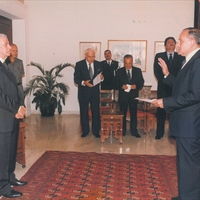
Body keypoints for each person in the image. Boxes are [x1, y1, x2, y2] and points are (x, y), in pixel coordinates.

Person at [152, 27, 200, 200]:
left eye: (181, 41)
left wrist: (166, 102)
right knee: (185, 164)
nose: (177, 44)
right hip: (185, 124)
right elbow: (182, 88)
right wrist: (167, 75)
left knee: (190, 165)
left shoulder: (198, 61)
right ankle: (186, 195)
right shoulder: (189, 60)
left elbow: (195, 95)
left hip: (191, 124)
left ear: (192, 42)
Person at [0, 33, 27, 198]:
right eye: (6, 44)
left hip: (11, 116)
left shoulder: (4, 65)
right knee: (2, 154)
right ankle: (3, 186)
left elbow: (14, 88)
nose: (10, 48)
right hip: (3, 117)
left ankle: (10, 177)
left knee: (10, 151)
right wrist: (16, 108)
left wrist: (20, 106)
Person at [154, 37, 185, 140]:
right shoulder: (159, 56)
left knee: (175, 112)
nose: (171, 44)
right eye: (169, 42)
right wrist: (166, 81)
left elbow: (181, 73)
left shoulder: (180, 56)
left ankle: (174, 133)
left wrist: (174, 83)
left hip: (175, 88)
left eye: (173, 42)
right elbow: (157, 72)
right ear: (165, 45)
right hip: (163, 88)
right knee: (161, 112)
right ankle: (159, 133)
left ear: (175, 45)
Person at [74, 48, 103, 138]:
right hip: (83, 92)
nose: (91, 59)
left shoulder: (98, 64)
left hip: (94, 92)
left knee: (96, 112)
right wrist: (84, 83)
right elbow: (76, 79)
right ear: (85, 56)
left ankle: (96, 131)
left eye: (93, 56)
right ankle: (85, 131)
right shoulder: (79, 65)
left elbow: (101, 77)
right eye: (89, 57)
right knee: (84, 112)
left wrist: (102, 78)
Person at [116, 54, 144, 137]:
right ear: (123, 63)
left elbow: (141, 82)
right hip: (123, 97)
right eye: (126, 63)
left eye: (129, 63)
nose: (128, 65)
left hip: (133, 96)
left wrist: (136, 86)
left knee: (133, 114)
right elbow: (115, 83)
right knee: (122, 114)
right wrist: (121, 86)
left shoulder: (137, 71)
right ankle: (122, 131)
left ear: (132, 62)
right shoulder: (119, 71)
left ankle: (134, 131)